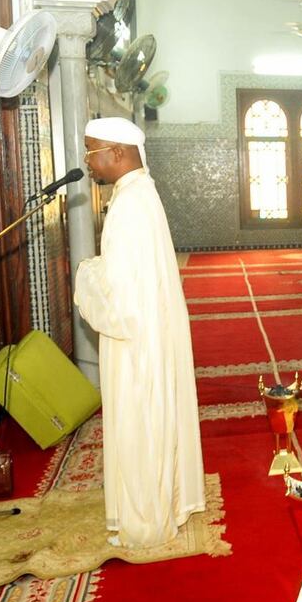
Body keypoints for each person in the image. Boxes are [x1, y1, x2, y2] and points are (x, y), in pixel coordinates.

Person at [74, 117, 205, 549]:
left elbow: (121, 296)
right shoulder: (136, 193)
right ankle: (153, 506)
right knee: (147, 418)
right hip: (146, 331)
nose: (88, 161)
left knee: (140, 420)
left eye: (92, 150)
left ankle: (145, 519)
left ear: (118, 153)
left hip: (135, 340)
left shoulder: (131, 204)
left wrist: (85, 275)